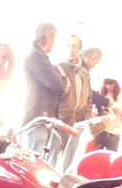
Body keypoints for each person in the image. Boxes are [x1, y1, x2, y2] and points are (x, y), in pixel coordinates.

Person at [21, 22, 67, 156]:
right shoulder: (36, 57)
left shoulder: (40, 57)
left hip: (41, 118)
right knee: (33, 161)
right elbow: (58, 85)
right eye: (53, 39)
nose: (54, 43)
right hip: (37, 118)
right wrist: (64, 83)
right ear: (47, 37)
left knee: (38, 160)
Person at [57, 44, 102, 171]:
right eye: (96, 62)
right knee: (59, 152)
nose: (95, 66)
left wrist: (86, 115)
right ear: (92, 59)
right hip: (67, 118)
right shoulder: (74, 69)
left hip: (75, 119)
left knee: (68, 154)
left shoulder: (83, 72)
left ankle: (63, 175)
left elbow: (87, 96)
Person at [52, 35, 89, 169]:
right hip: (61, 122)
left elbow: (88, 97)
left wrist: (85, 118)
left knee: (68, 163)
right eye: (68, 46)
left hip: (77, 123)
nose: (70, 49)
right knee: (51, 159)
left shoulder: (84, 73)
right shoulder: (58, 68)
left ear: (79, 49)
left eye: (74, 46)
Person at [95, 79, 122, 151]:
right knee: (95, 155)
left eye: (111, 84)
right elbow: (93, 109)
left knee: (110, 155)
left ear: (115, 83)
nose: (108, 87)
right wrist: (101, 111)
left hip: (114, 132)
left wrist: (121, 112)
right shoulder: (101, 91)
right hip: (99, 130)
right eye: (106, 84)